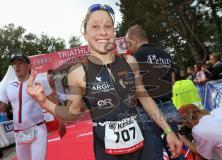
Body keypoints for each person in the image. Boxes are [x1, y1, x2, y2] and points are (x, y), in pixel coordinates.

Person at [26, 4, 182, 160]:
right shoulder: (78, 72)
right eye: (95, 26)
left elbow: (146, 100)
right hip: (108, 153)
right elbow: (71, 114)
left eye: (108, 26)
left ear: (113, 32)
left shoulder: (130, 62)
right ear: (85, 34)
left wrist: (168, 131)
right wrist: (43, 102)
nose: (102, 31)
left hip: (143, 146)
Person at [125, 25, 183, 160]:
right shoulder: (166, 55)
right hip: (169, 106)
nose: (128, 47)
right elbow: (172, 81)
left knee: (153, 153)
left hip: (147, 110)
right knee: (175, 149)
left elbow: (133, 88)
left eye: (128, 43)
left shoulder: (135, 57)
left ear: (133, 40)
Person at [0, 53, 66, 160]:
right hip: (18, 133)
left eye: (20, 63)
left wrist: (61, 123)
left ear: (29, 66)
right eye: (14, 64)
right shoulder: (8, 86)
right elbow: (1, 107)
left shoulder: (40, 81)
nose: (17, 66)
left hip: (37, 128)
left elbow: (54, 103)